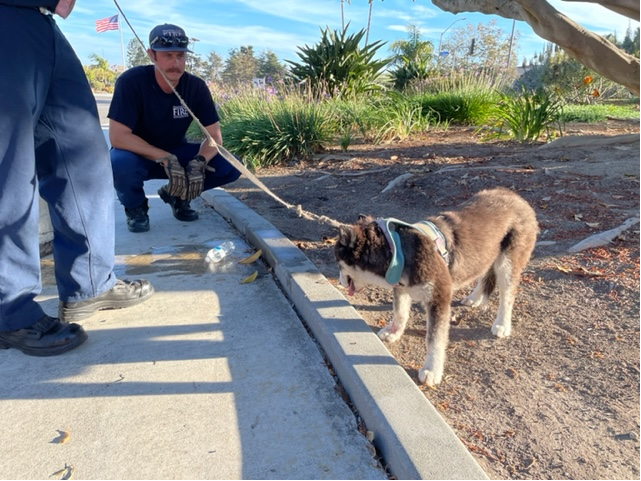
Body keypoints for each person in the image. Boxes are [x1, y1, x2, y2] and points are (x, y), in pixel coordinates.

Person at [0, 1, 154, 357]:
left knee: (83, 153)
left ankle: (90, 283)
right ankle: (10, 310)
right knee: (10, 167)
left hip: (42, 22)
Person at [108, 23, 242, 233]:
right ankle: (135, 208)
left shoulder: (195, 87)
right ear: (152, 55)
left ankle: (178, 196)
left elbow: (214, 137)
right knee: (118, 162)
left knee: (230, 165)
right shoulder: (131, 82)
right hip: (138, 156)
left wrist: (199, 162)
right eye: (167, 55)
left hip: (178, 156)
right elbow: (118, 137)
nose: (175, 63)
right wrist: (163, 157)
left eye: (180, 56)